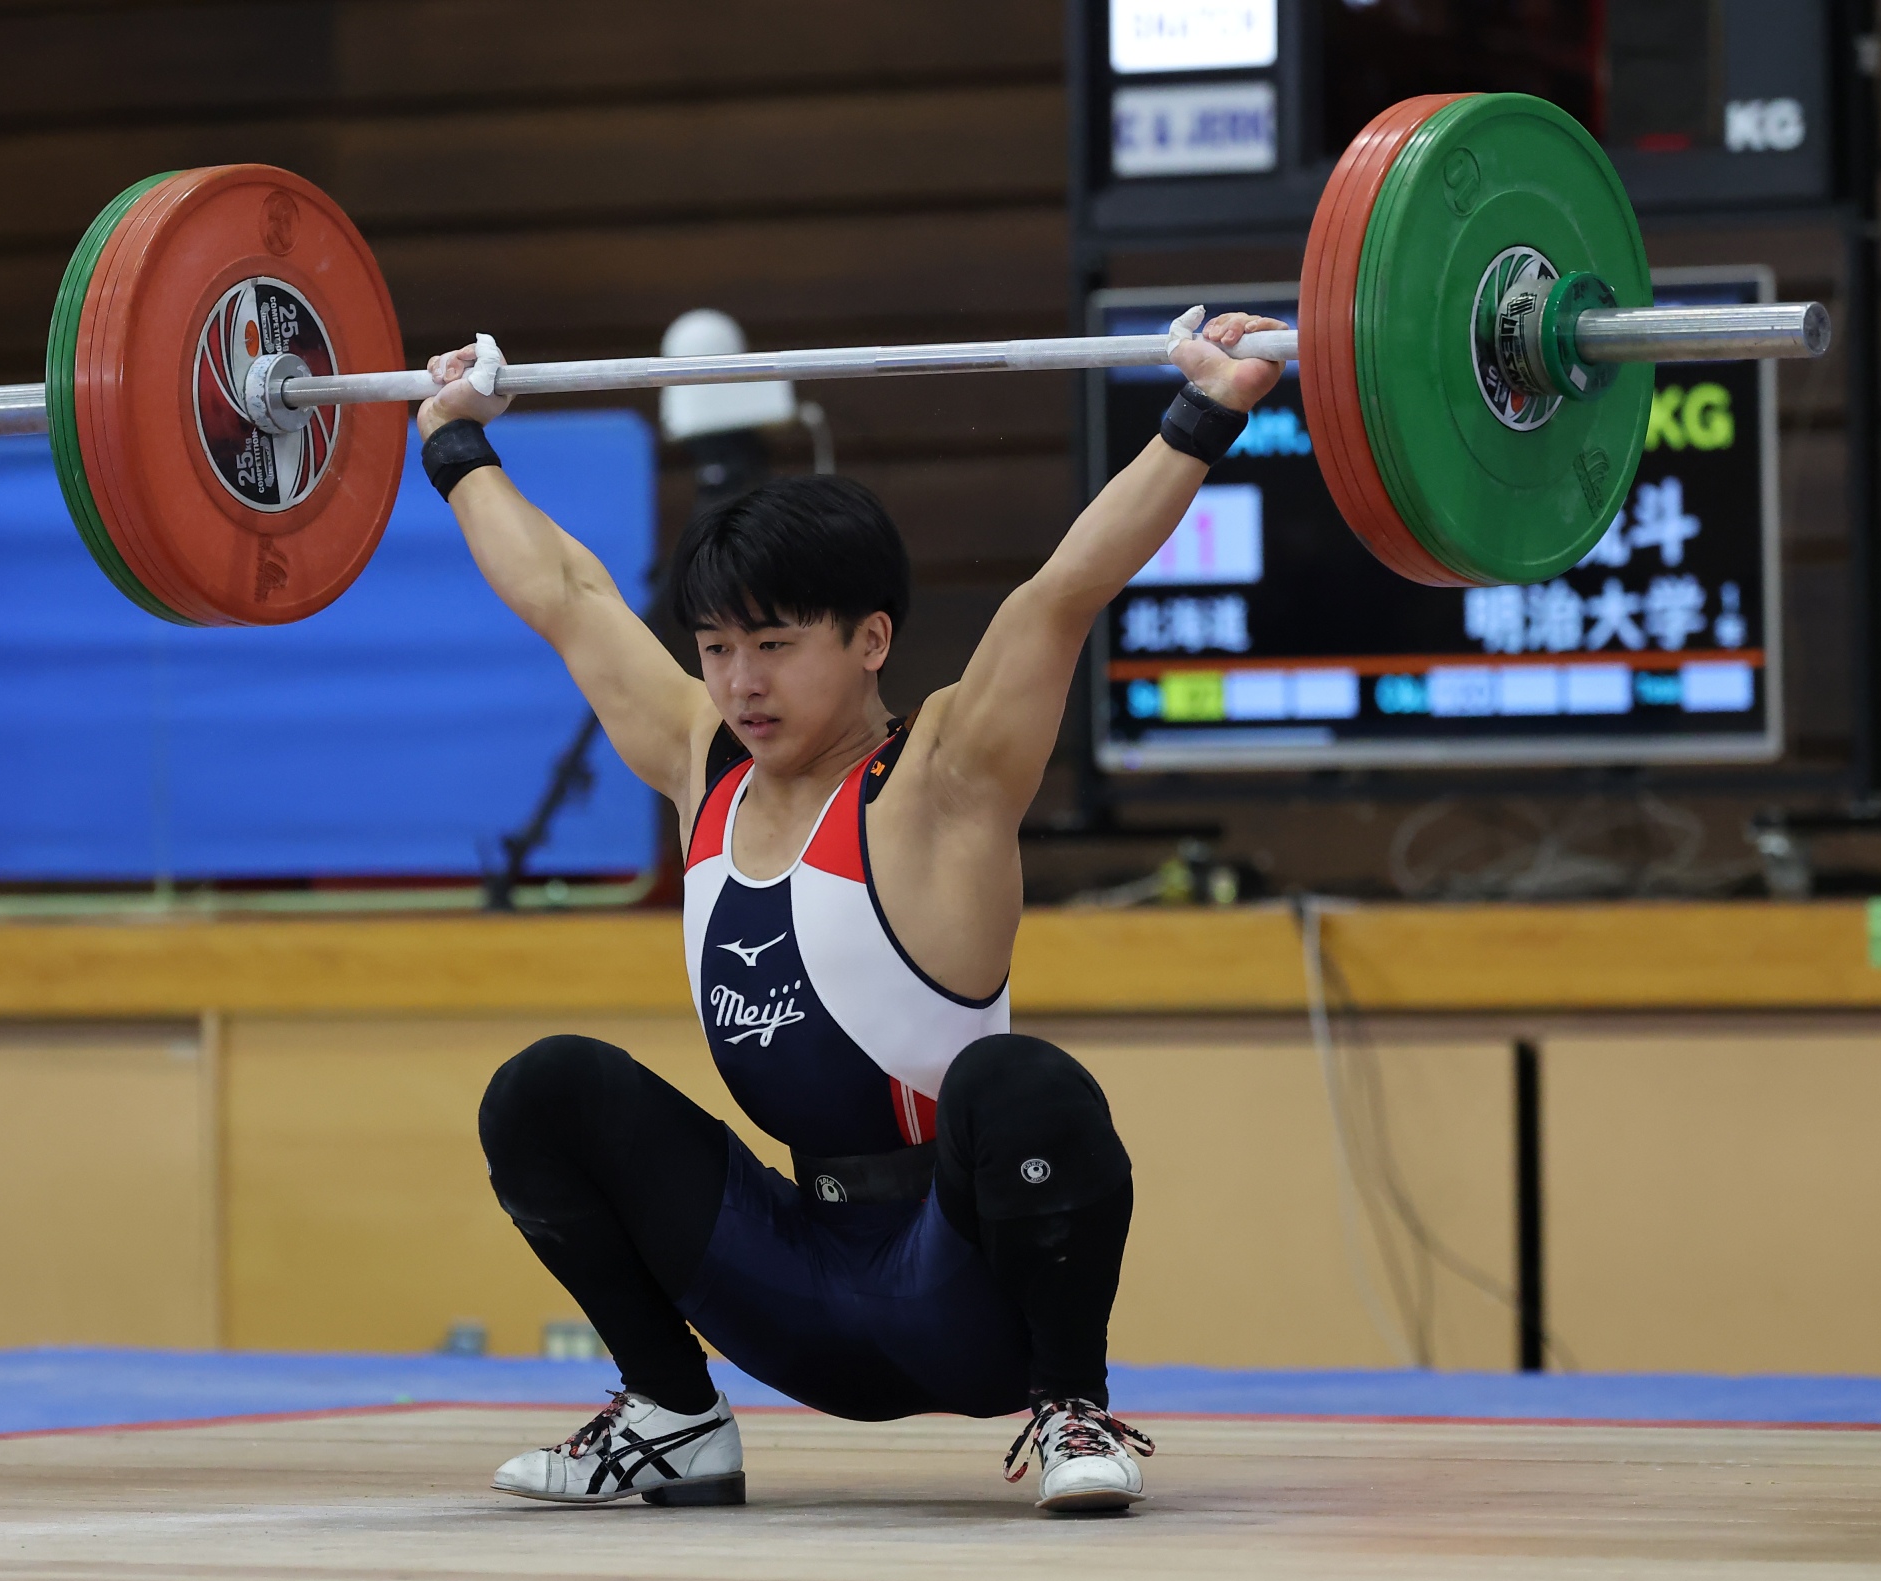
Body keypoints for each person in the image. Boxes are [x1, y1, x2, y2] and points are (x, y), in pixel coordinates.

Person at [417, 307, 1283, 1513]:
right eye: (717, 647)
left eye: (773, 644)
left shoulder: (945, 776)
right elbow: (567, 594)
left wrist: (1205, 410)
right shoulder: (702, 765)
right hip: (793, 1289)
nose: (740, 682)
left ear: (872, 638)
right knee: (545, 1092)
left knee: (1019, 1082)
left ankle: (1072, 1407)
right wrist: (454, 442)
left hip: (965, 1298)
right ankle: (674, 1412)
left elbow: (1062, 593)